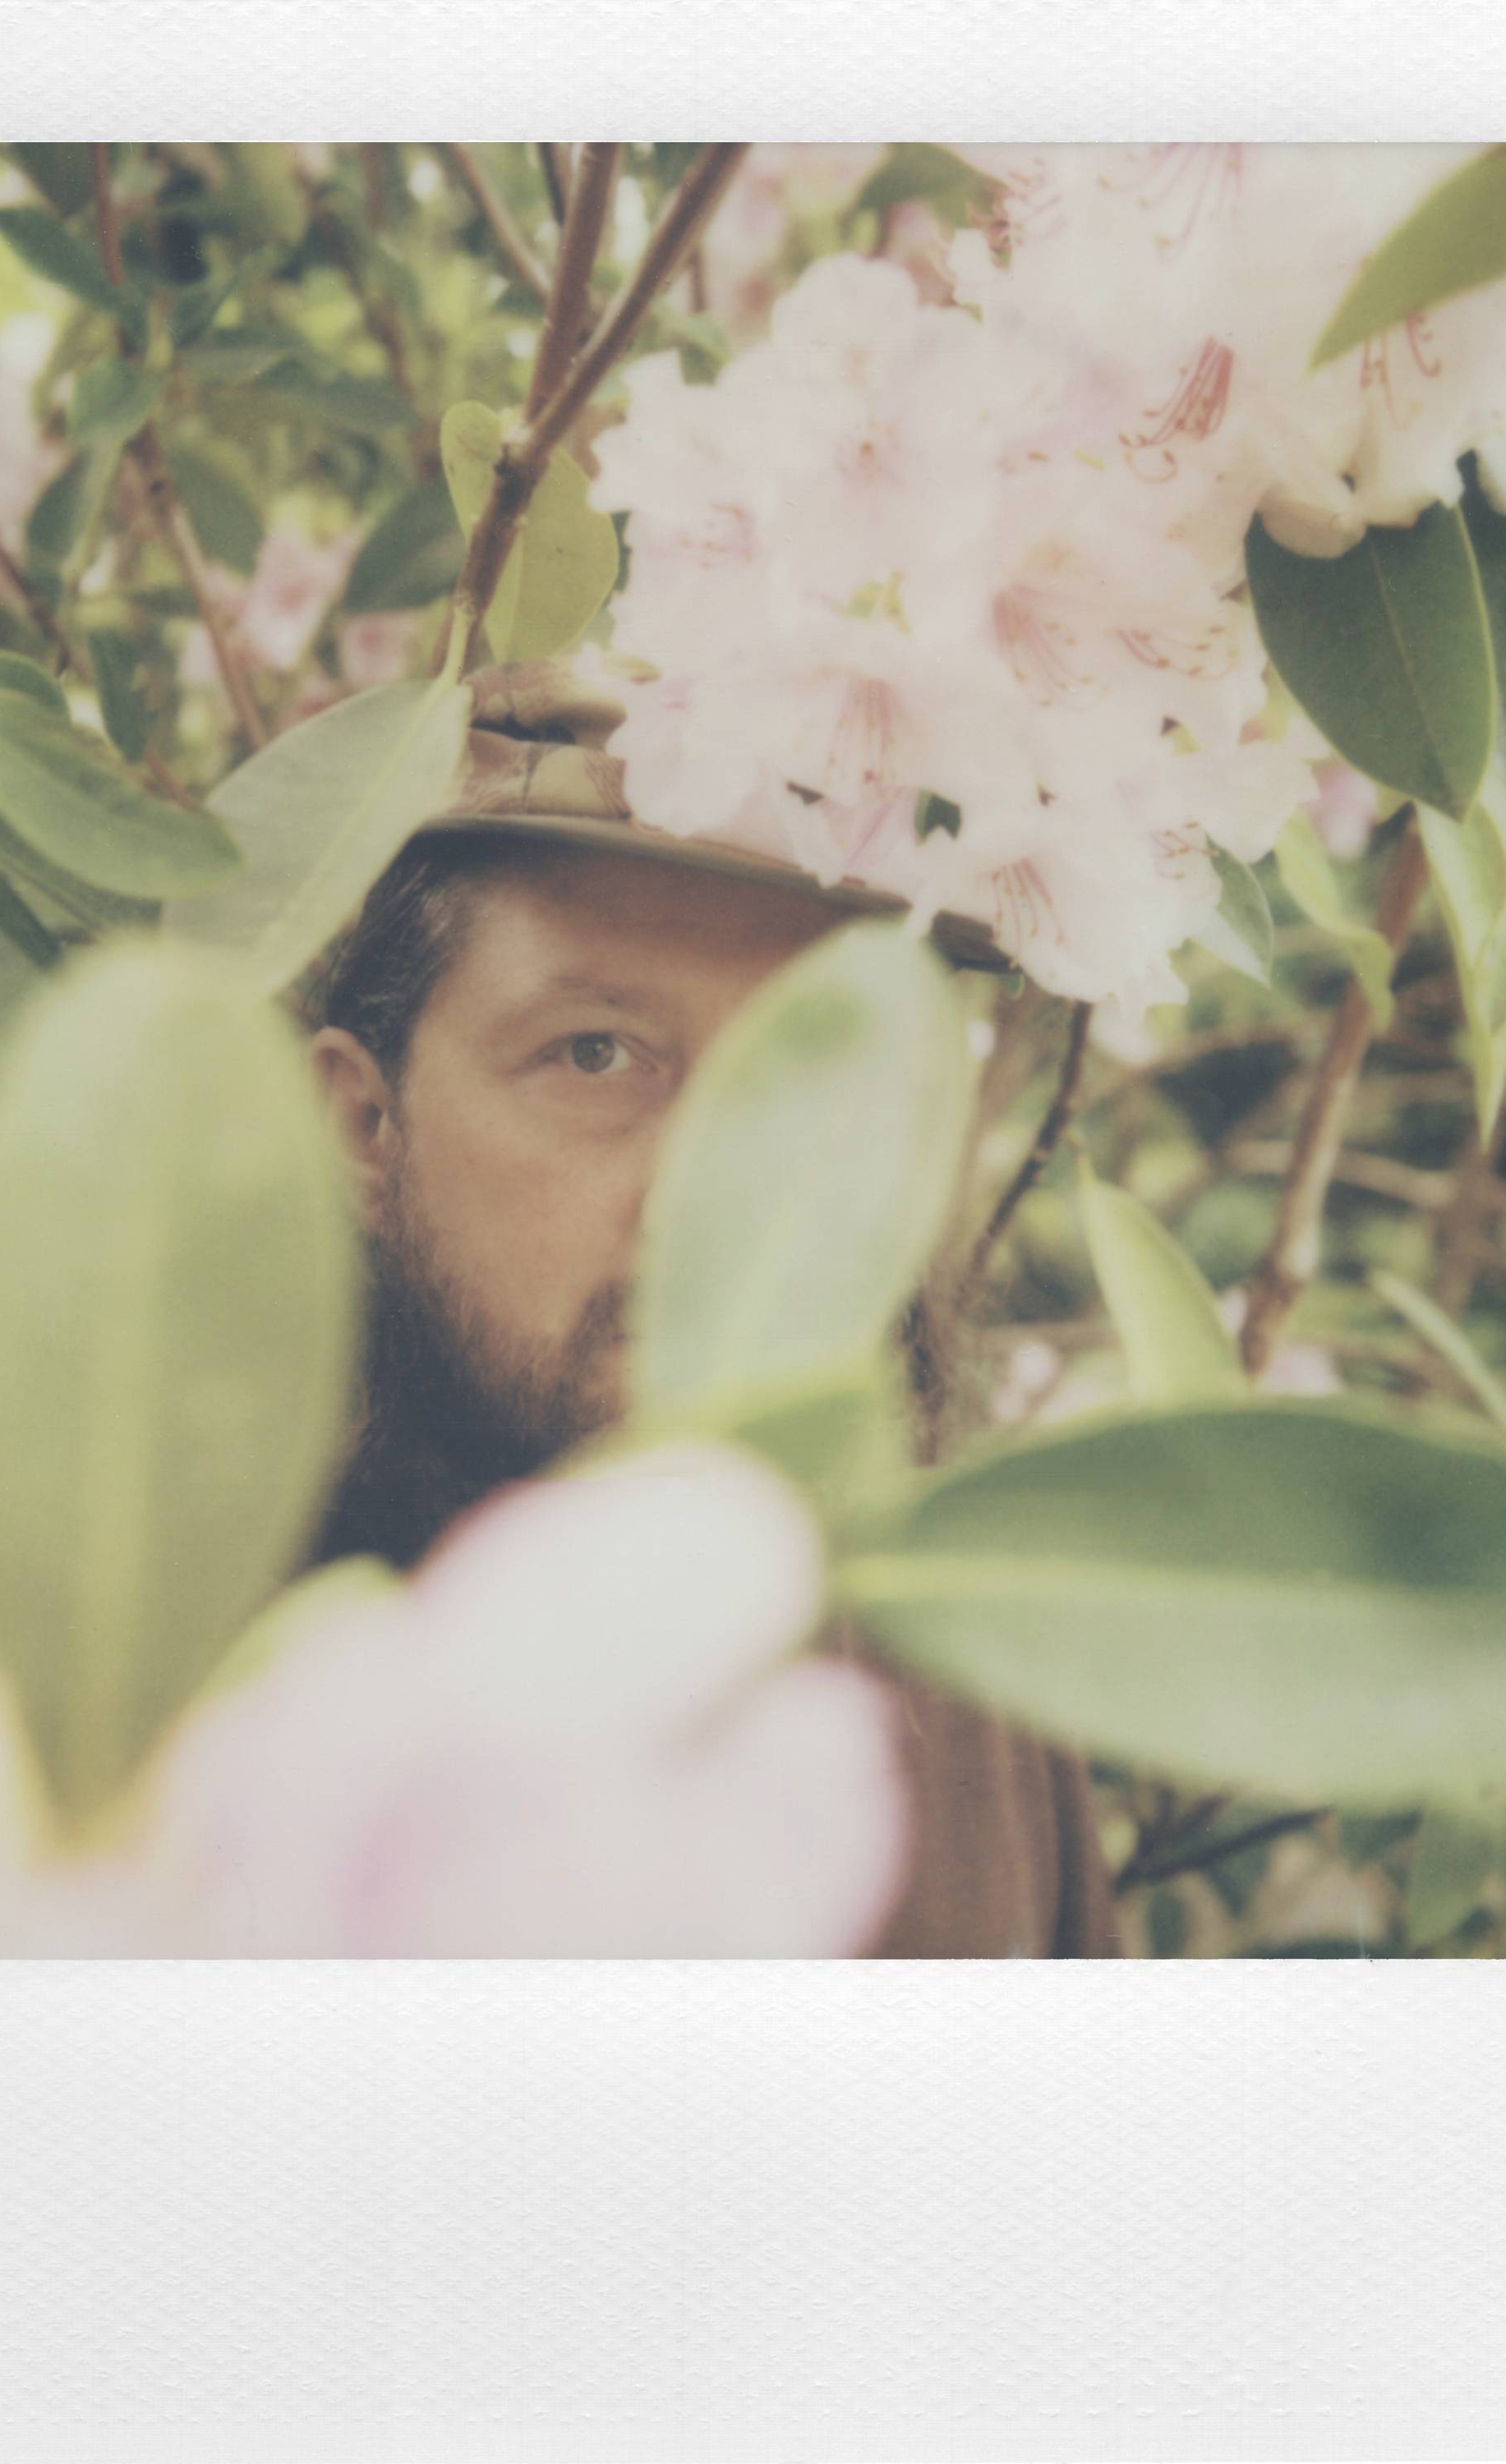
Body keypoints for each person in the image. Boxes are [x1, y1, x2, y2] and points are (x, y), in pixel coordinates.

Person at [303, 661, 1114, 1959]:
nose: (726, 1200)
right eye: (595, 1056)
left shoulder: (975, 1704)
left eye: (810, 1063)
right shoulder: (153, 1680)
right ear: (361, 1128)